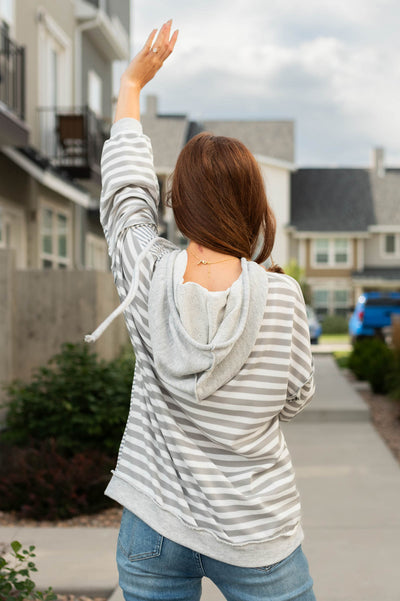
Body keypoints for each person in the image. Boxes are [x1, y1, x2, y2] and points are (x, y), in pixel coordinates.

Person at [86, 19, 316, 601]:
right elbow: (293, 396)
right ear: (251, 202)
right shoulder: (282, 297)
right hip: (256, 528)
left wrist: (131, 87)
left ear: (177, 201)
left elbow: (124, 195)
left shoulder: (143, 271)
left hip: (154, 521)